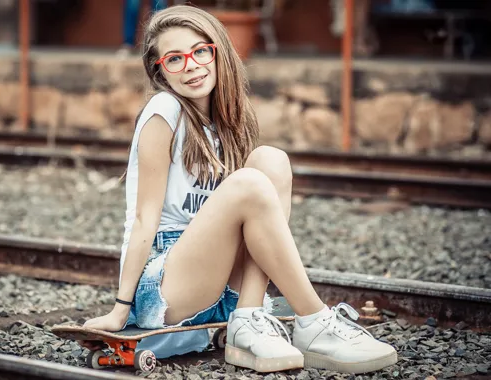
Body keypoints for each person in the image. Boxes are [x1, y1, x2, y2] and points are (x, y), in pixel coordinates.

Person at [82, 5, 398, 374]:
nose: (191, 65)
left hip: (218, 279)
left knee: (271, 161)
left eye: (200, 51)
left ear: (218, 53)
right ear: (160, 71)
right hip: (166, 282)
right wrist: (122, 308)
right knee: (248, 183)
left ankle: (248, 317)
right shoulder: (164, 110)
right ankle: (314, 319)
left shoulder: (226, 122)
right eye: (174, 59)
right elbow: (143, 219)